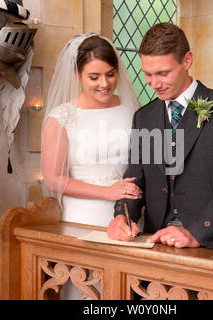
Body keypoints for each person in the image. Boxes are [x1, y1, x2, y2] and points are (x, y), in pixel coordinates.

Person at [107, 22, 213, 250]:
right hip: (154, 245)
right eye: (148, 74)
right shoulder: (144, 117)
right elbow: (134, 180)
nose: (154, 83)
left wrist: (198, 232)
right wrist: (123, 216)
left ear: (187, 60)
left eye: (163, 73)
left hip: (212, 247)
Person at [41, 33, 141, 298]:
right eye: (94, 77)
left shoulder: (133, 108)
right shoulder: (61, 117)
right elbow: (53, 179)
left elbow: (146, 162)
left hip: (130, 215)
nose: (104, 84)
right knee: (87, 292)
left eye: (110, 74)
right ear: (77, 75)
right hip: (82, 218)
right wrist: (106, 192)